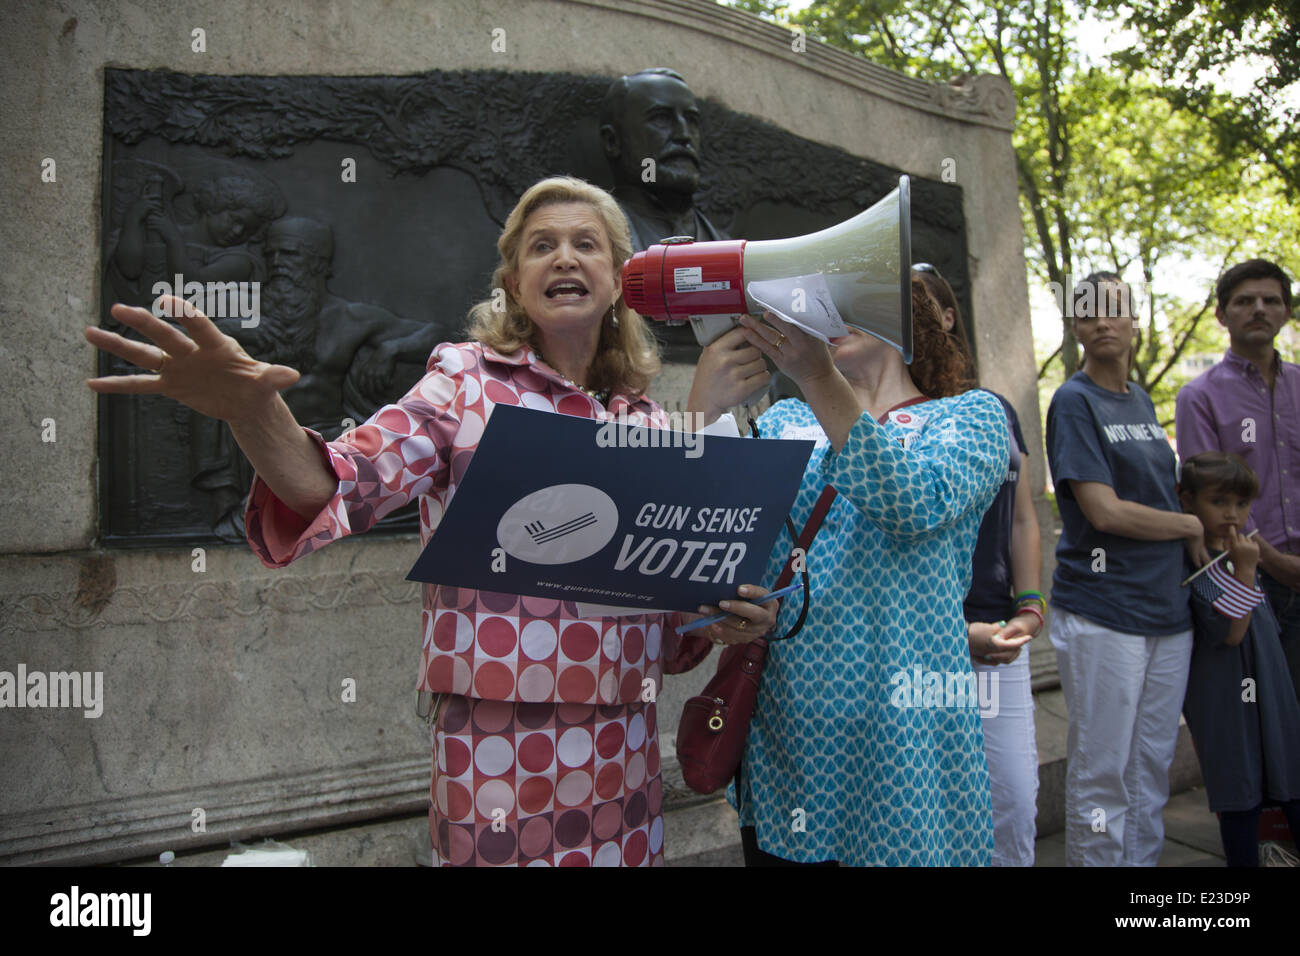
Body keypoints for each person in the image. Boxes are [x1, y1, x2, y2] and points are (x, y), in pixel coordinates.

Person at [84, 176, 776, 867]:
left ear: (618, 280)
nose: (564, 257)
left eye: (585, 244)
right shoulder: (464, 383)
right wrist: (252, 413)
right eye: (542, 246)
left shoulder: (649, 422)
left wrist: (714, 621)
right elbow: (339, 483)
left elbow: (667, 625)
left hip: (623, 750)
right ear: (513, 279)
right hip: (497, 745)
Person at [688, 277, 1010, 866]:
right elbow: (724, 540)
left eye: (852, 305)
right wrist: (703, 413)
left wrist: (817, 378)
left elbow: (912, 504)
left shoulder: (970, 416)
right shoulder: (785, 419)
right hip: (795, 732)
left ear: (901, 318)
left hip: (906, 733)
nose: (830, 317)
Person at [1045, 271, 1207, 867]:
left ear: (1135, 320)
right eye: (1089, 313)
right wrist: (1191, 526)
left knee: (1150, 768)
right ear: (1077, 327)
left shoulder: (1138, 399)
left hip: (1168, 610)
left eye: (1115, 310)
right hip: (1105, 610)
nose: (1103, 322)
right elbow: (1103, 511)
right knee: (1103, 771)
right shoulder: (1073, 400)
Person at [916, 263, 1042, 866]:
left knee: (1012, 800)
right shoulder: (882, 420)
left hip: (995, 639)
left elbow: (1021, 517)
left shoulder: (992, 409)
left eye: (920, 303)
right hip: (919, 648)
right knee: (930, 809)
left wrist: (1032, 603)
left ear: (946, 317)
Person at [1175, 258, 1300, 700]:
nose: (1259, 309)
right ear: (1222, 316)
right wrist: (1275, 563)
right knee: (1268, 724)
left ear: (1287, 312)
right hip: (1249, 580)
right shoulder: (1200, 397)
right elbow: (1207, 501)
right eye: (1245, 301)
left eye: (1271, 300)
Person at [1177, 452, 1300, 866]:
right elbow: (1231, 632)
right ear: (1188, 500)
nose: (1232, 514)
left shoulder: (1240, 552)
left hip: (1270, 692)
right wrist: (1245, 572)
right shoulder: (1199, 564)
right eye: (1219, 502)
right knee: (1240, 796)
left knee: (1291, 783)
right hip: (1227, 700)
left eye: (1241, 504)